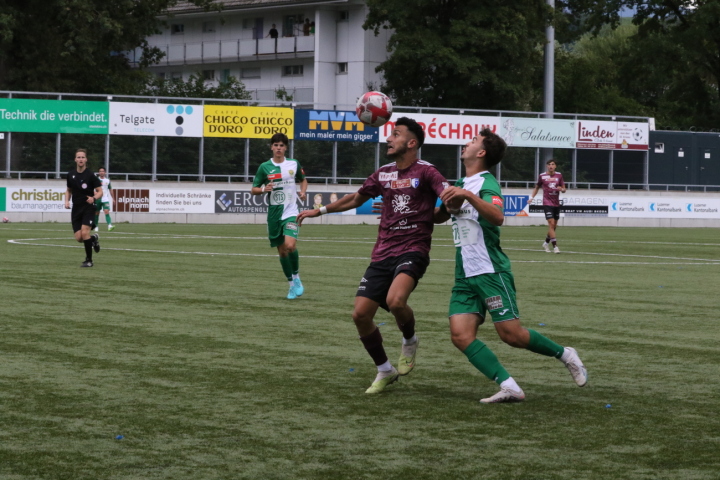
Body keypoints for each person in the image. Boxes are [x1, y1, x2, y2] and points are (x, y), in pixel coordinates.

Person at [298, 117, 450, 394]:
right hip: (383, 252)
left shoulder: (427, 172)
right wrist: (318, 211)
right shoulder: (383, 173)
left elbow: (446, 201)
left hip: (414, 248)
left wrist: (448, 206)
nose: (389, 139)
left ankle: (410, 340)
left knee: (395, 301)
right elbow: (357, 198)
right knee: (360, 314)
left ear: (412, 143)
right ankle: (385, 370)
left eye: (396, 134)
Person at [434, 130, 587, 403]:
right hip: (464, 273)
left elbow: (497, 217)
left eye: (472, 142)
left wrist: (467, 196)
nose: (466, 144)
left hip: (490, 270)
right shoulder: (460, 182)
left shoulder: (486, 183)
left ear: (481, 153)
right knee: (460, 335)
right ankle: (509, 386)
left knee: (511, 335)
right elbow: (439, 217)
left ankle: (566, 354)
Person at [251, 133, 308, 300]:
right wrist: (263, 190)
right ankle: (291, 285)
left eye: (281, 145)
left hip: (291, 212)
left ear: (286, 148)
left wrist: (302, 191)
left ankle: (296, 277)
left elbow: (303, 180)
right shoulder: (264, 167)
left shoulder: (293, 164)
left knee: (290, 245)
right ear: (271, 147)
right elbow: (253, 189)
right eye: (276, 145)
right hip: (274, 215)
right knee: (282, 252)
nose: (278, 148)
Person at [64, 149, 102, 268]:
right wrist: (66, 201)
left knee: (85, 232)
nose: (80, 159)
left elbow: (100, 191)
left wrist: (94, 198)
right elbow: (69, 190)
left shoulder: (90, 175)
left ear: (86, 160)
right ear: (75, 159)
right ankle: (93, 238)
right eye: (78, 157)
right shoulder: (70, 175)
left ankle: (89, 260)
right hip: (76, 209)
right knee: (79, 238)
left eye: (82, 157)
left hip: (88, 207)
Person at [529, 159, 566, 253]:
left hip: (556, 203)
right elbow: (537, 187)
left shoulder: (559, 175)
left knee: (554, 226)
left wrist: (561, 189)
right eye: (549, 164)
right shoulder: (542, 176)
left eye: (553, 164)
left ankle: (546, 243)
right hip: (547, 202)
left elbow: (564, 189)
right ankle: (555, 247)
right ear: (547, 166)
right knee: (551, 223)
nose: (551, 166)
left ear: (555, 166)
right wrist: (531, 197)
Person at [94, 167, 115, 232]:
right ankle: (96, 226)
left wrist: (113, 199)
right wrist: (95, 193)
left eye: (102, 171)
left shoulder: (107, 180)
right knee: (97, 213)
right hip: (98, 198)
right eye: (100, 171)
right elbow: (92, 188)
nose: (101, 172)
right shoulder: (96, 180)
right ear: (99, 172)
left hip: (105, 198)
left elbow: (110, 189)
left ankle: (109, 225)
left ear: (105, 172)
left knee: (106, 211)